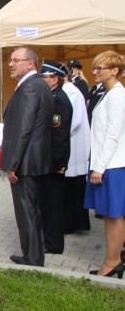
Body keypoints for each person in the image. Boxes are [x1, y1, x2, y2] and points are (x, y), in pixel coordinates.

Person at [0, 46, 54, 267]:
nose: (11, 64)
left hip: (26, 162)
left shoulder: (30, 88)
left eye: (16, 60)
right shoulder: (38, 85)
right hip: (33, 159)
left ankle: (32, 258)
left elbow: (24, 129)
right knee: (31, 209)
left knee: (26, 211)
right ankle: (34, 253)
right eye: (10, 60)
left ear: (30, 63)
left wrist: (13, 164)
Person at [84, 51, 125, 278]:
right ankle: (114, 260)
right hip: (111, 163)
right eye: (95, 67)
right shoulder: (109, 94)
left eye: (100, 68)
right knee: (113, 215)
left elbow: (112, 135)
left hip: (112, 165)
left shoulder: (117, 95)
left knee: (113, 215)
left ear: (115, 70)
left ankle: (112, 262)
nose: (95, 72)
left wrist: (99, 167)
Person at [38, 61, 72, 254]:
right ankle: (50, 241)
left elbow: (59, 135)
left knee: (52, 205)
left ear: (54, 79)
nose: (41, 80)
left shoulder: (58, 99)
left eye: (44, 77)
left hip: (53, 162)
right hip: (50, 160)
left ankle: (53, 244)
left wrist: (59, 162)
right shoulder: (53, 96)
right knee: (48, 203)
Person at [61, 64, 91, 233]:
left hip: (72, 146)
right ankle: (72, 222)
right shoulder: (69, 90)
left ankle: (72, 223)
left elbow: (72, 121)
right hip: (70, 145)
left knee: (73, 188)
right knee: (72, 188)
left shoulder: (71, 92)